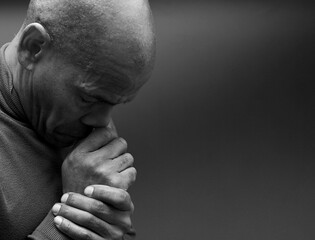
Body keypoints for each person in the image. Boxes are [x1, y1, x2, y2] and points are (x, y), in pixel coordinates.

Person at [0, 0, 155, 239]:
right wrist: (73, 218)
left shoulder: (69, 124)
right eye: (88, 99)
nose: (103, 124)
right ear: (33, 48)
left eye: (112, 103)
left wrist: (107, 228)